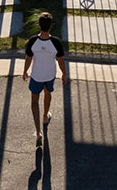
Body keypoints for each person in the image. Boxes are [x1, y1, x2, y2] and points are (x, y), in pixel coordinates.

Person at [22, 11, 68, 148]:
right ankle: (45, 117)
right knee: (48, 94)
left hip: (36, 76)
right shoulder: (56, 43)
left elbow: (28, 59)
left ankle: (38, 132)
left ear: (39, 25)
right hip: (49, 76)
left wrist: (25, 71)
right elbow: (60, 61)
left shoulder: (32, 42)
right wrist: (64, 74)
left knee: (34, 101)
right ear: (51, 26)